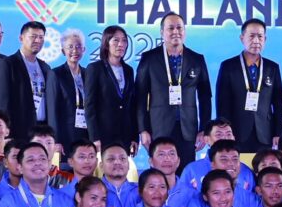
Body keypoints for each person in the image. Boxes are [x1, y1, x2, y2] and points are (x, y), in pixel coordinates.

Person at [136, 12, 212, 170]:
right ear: (162, 32)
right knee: (160, 174)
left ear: (185, 31)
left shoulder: (197, 59)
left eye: (179, 28)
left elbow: (205, 97)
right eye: (170, 28)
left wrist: (204, 129)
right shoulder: (149, 58)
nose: (175, 32)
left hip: (188, 129)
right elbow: (140, 97)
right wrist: (143, 129)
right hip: (159, 128)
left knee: (186, 172)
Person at [215, 19, 282, 153]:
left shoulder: (272, 67)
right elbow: (222, 103)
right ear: (242, 38)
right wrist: (225, 133)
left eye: (260, 36)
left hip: (265, 133)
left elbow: (278, 104)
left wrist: (278, 133)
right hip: (237, 132)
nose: (256, 41)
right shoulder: (228, 66)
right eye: (251, 36)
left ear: (265, 39)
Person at [84, 25, 138, 155]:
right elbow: (89, 106)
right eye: (116, 40)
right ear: (106, 43)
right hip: (103, 135)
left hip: (124, 134)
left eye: (124, 40)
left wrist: (134, 137)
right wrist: (94, 137)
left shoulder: (129, 70)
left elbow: (132, 106)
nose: (121, 44)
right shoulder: (95, 68)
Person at [0, 21, 51, 141]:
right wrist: (6, 134)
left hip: (42, 130)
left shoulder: (45, 67)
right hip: (18, 131)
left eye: (41, 37)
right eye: (33, 36)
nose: (37, 40)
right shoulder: (8, 64)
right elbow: (2, 103)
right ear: (21, 38)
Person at [46, 29, 90, 159]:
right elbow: (52, 109)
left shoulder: (88, 74)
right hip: (65, 135)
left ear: (84, 50)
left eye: (78, 46)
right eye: (70, 47)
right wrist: (55, 139)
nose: (75, 50)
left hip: (86, 133)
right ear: (62, 50)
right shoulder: (55, 74)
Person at [186, 139, 257, 207]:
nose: (231, 163)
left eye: (235, 159)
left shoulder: (251, 199)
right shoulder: (198, 202)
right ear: (213, 165)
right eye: (224, 159)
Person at [100, 143, 138, 207]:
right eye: (111, 159)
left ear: (129, 165)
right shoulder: (92, 191)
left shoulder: (140, 191)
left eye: (122, 159)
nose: (117, 162)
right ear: (101, 166)